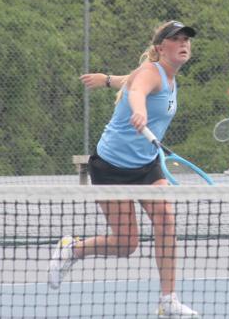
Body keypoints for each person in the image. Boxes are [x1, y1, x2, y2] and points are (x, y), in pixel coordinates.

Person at [49, 20, 199, 318]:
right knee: (126, 243)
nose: (183, 43)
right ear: (160, 48)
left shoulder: (168, 76)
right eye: (176, 39)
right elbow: (137, 90)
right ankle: (72, 249)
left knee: (166, 221)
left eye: (186, 39)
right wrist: (139, 110)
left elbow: (126, 81)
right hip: (111, 168)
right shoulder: (150, 73)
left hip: (147, 165)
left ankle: (168, 300)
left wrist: (106, 79)